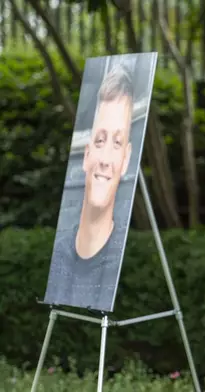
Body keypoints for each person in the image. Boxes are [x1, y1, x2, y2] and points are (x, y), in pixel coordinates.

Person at [44, 63, 134, 312]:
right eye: (100, 140)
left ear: (126, 160)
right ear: (86, 154)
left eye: (116, 143)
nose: (105, 160)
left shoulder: (119, 259)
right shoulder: (61, 253)